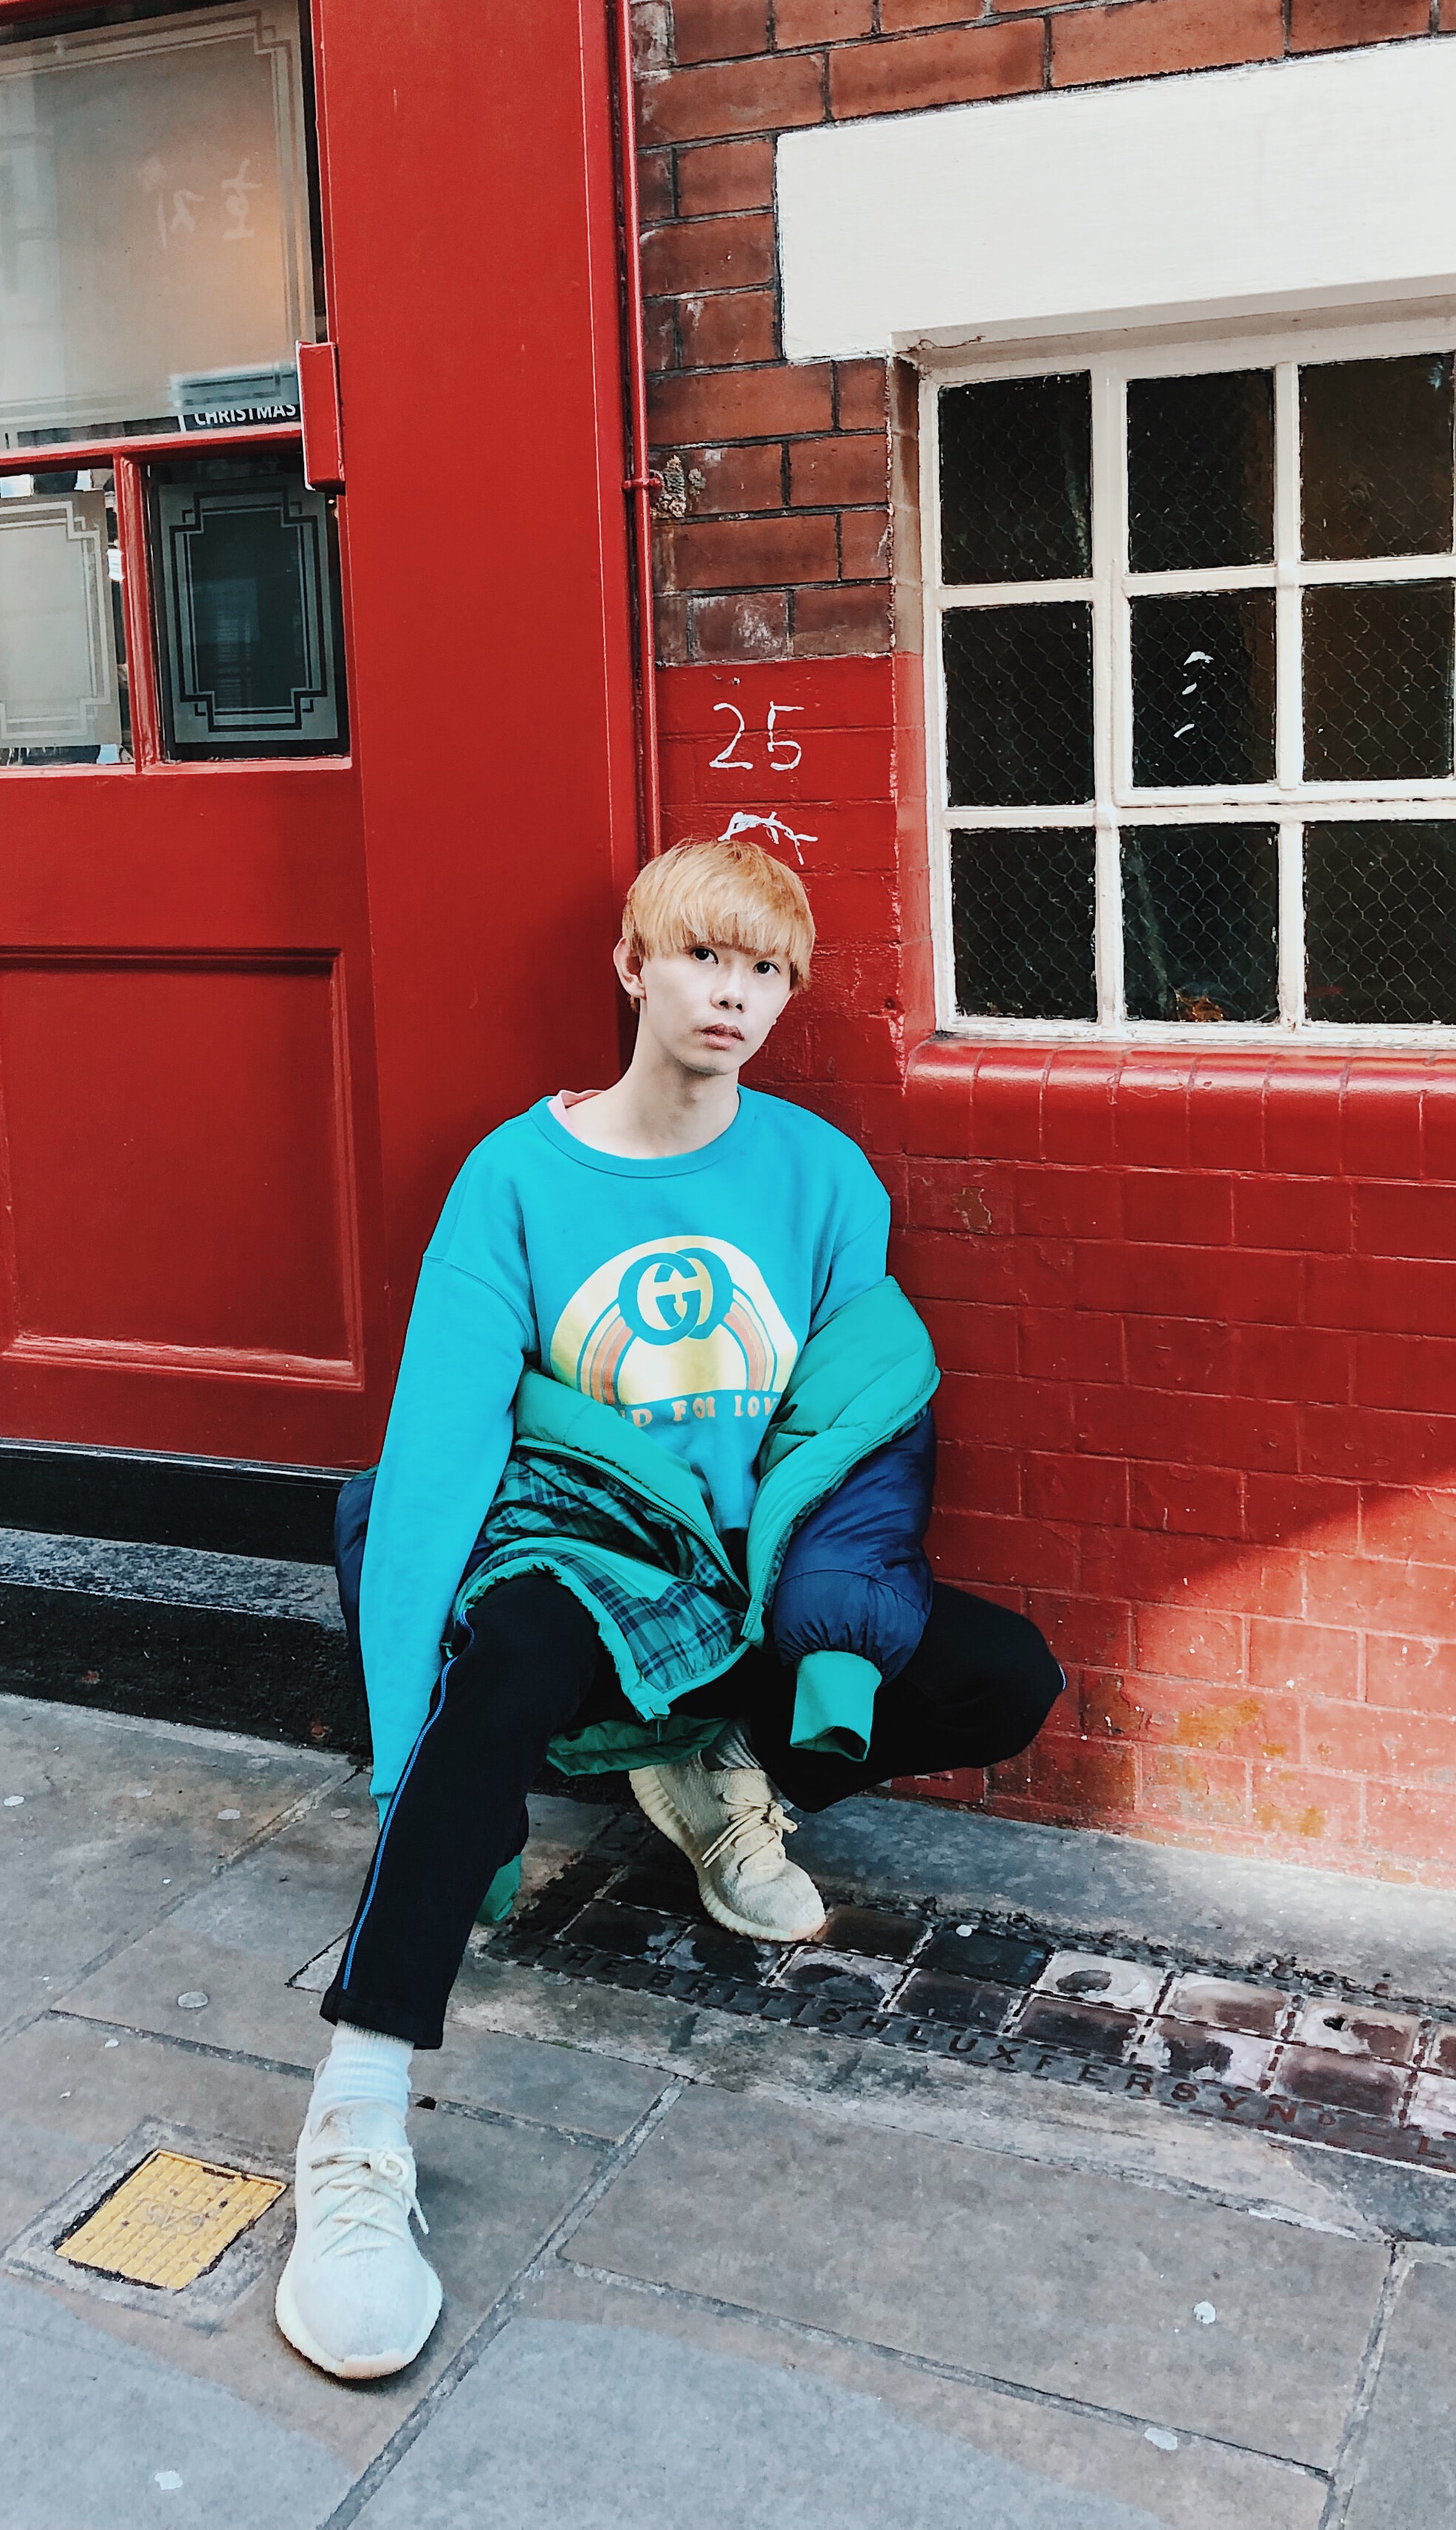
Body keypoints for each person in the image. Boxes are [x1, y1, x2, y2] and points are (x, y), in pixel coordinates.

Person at [274, 840, 1063, 2382]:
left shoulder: (821, 1177)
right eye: (706, 957)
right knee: (502, 1662)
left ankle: (719, 1778)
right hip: (574, 1538)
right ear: (634, 967)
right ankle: (357, 2121)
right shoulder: (515, 1182)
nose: (736, 995)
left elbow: (847, 1432)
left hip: (734, 1572)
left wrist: (824, 1616)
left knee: (1001, 1679)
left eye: (767, 970)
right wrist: (399, 1763)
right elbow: (435, 1471)